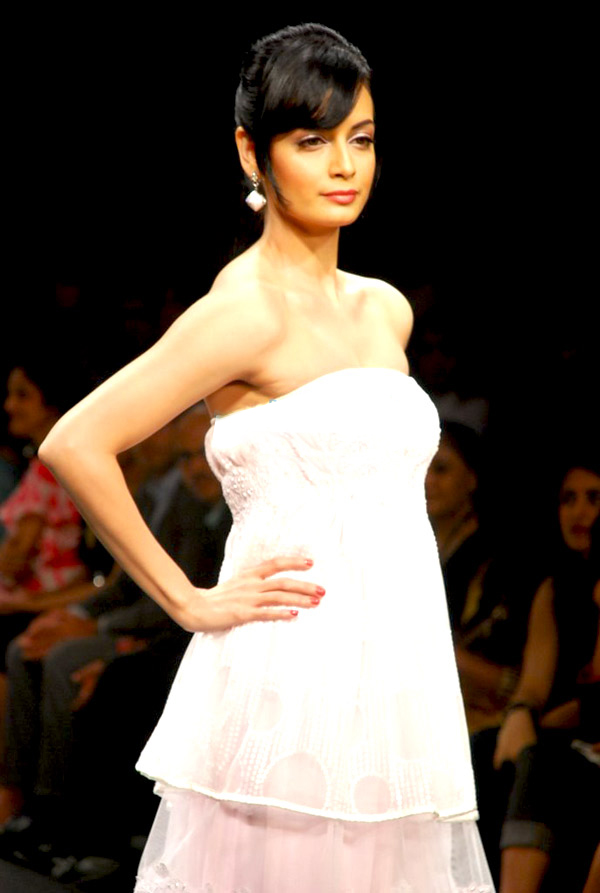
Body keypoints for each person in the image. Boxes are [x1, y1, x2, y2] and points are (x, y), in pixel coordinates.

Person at [40, 24, 494, 892]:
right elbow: (76, 442)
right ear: (253, 152)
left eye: (361, 138)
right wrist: (189, 600)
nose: (344, 165)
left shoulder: (386, 310)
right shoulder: (245, 310)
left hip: (396, 677)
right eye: (311, 140)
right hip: (290, 677)